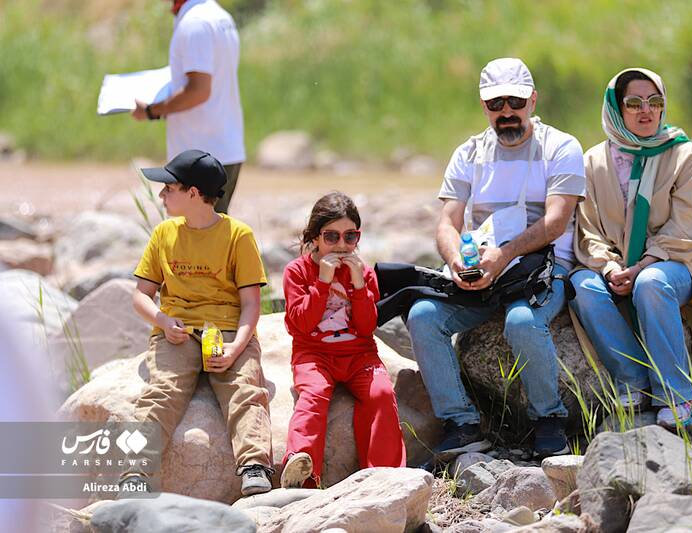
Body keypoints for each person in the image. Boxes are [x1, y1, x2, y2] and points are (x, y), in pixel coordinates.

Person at [405, 58, 586, 460]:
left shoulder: (560, 147)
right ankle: (462, 422)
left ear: (533, 100)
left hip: (543, 267)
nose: (507, 112)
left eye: (515, 102)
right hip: (485, 266)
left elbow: (556, 222)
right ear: (483, 105)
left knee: (521, 322)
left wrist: (504, 256)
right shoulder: (469, 152)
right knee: (423, 316)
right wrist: (457, 262)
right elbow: (448, 222)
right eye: (495, 104)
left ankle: (549, 420)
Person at [569, 68, 692, 429]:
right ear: (617, 109)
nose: (646, 110)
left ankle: (677, 396)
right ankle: (632, 380)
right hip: (617, 264)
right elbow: (588, 230)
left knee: (651, 283)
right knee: (581, 286)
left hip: (680, 263)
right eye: (634, 103)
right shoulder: (593, 162)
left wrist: (642, 265)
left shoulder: (683, 154)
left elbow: (688, 228)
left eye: (655, 101)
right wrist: (609, 267)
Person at [119, 149, 273, 496]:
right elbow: (141, 296)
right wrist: (162, 320)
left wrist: (236, 348)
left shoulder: (238, 235)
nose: (161, 194)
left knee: (245, 390)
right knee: (162, 393)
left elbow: (251, 303)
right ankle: (134, 471)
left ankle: (254, 466)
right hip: (177, 332)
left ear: (193, 193)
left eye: (169, 188)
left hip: (227, 330)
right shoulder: (164, 233)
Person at [281, 192, 406, 488]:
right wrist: (323, 281)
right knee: (313, 395)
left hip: (359, 354)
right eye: (331, 236)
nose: (341, 245)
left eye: (350, 237)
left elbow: (366, 327)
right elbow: (301, 324)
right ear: (314, 237)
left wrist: (359, 284)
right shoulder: (297, 272)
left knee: (381, 394)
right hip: (314, 354)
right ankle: (301, 472)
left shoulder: (362, 273)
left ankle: (385, 477)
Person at [132, 0, 245, 214]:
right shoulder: (220, 16)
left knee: (195, 233)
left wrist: (151, 111)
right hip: (223, 147)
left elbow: (198, 91)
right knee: (213, 231)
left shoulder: (195, 23)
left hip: (200, 157)